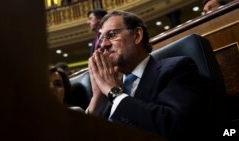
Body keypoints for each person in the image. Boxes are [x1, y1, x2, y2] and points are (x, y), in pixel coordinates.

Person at [87, 10, 215, 140]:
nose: (103, 44)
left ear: (137, 35)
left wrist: (114, 93)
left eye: (112, 35)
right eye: (102, 39)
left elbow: (173, 126)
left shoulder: (178, 68)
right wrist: (96, 102)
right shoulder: (110, 87)